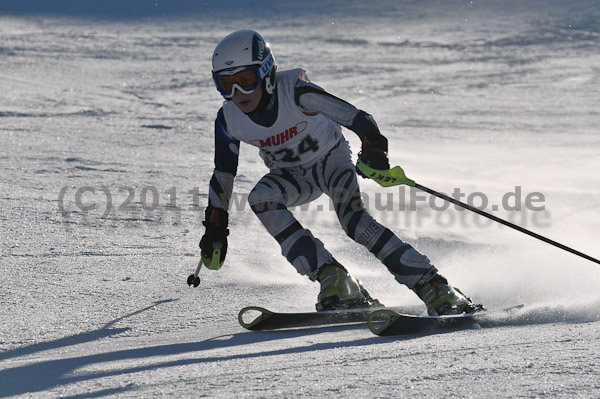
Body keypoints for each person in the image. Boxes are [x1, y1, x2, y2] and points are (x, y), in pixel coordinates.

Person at [200, 29, 482, 315]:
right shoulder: (229, 119)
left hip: (330, 160)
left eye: (246, 81)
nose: (238, 94)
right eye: (226, 84)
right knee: (261, 198)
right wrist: (215, 224)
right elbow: (224, 173)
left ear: (266, 73)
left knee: (354, 222)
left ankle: (434, 285)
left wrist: (373, 148)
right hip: (293, 176)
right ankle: (334, 278)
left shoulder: (296, 93)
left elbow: (357, 117)